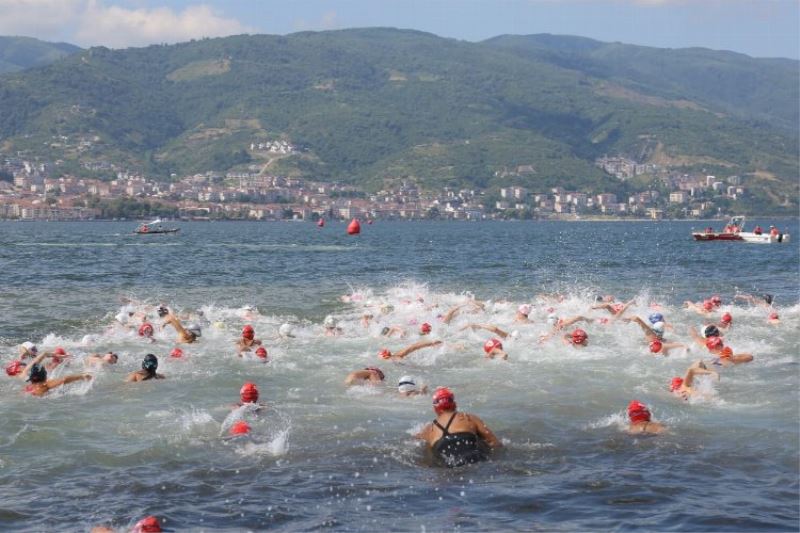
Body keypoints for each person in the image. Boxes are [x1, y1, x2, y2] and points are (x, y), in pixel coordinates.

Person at [414, 387, 501, 467]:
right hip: (475, 461)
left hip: (447, 467)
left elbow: (425, 457)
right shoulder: (468, 418)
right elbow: (494, 443)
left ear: (435, 408)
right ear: (454, 404)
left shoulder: (429, 429)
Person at [21, 352, 92, 397]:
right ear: (44, 376)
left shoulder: (28, 387)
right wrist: (81, 376)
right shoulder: (45, 385)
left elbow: (41, 356)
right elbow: (64, 380)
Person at [378, 339, 442, 361]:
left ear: (386, 357)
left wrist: (432, 343)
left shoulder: (398, 355)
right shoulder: (397, 356)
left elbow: (413, 347)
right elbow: (413, 346)